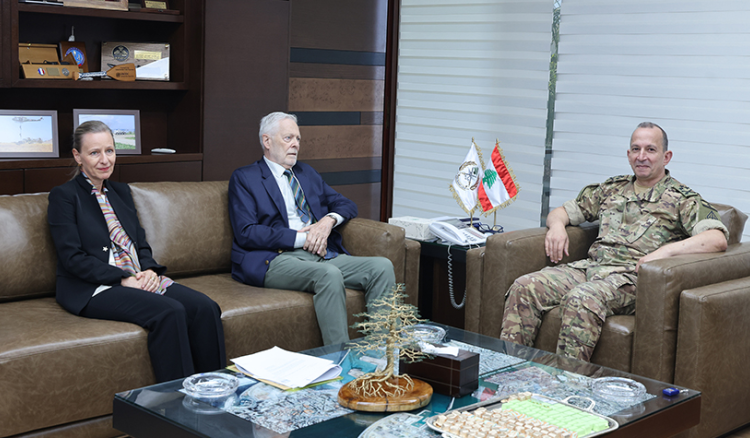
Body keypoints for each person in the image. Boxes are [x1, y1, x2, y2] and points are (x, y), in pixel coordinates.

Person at [500, 122, 729, 361]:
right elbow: (562, 212)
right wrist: (557, 227)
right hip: (592, 268)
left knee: (582, 299)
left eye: (650, 150)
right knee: (524, 287)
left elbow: (716, 238)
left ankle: (566, 381)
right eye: (636, 149)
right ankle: (509, 372)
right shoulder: (611, 189)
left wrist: (665, 253)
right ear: (628, 154)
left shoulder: (681, 198)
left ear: (666, 157)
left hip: (632, 279)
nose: (642, 156)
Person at [48, 121, 226, 383]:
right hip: (93, 287)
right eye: (94, 152)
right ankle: (179, 399)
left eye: (109, 151)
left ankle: (216, 389)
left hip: (135, 275)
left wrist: (150, 271)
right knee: (170, 311)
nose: (105, 160)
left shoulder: (121, 192)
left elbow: (140, 242)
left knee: (205, 308)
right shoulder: (64, 196)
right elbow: (72, 258)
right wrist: (122, 278)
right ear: (78, 156)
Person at [228, 111, 395, 346]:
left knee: (381, 267)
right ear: (267, 141)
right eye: (288, 138)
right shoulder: (246, 178)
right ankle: (340, 358)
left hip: (318, 253)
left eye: (298, 139)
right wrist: (302, 238)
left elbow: (346, 204)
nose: (295, 144)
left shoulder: (306, 173)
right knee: (329, 274)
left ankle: (382, 356)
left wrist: (327, 222)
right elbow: (246, 232)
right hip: (274, 258)